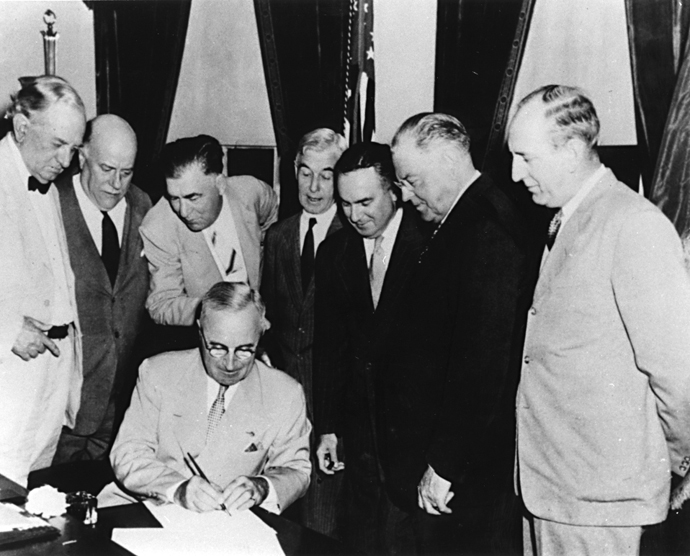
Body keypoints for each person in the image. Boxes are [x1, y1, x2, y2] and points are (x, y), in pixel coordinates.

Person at [508, 85, 690, 555]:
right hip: (551, 490)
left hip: (601, 502)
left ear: (570, 151)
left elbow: (677, 372)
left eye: (526, 157)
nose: (514, 173)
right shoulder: (566, 221)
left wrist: (674, 466)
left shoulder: (633, 225)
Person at [381, 112, 534, 554]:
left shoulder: (486, 227)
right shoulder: (463, 217)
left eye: (412, 180)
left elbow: (484, 365)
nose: (406, 197)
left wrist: (445, 464)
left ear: (449, 163)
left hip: (462, 477)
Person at [313, 141, 426, 554]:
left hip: (414, 436)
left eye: (365, 201)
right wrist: (327, 427)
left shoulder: (431, 245)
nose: (354, 215)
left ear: (395, 191)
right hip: (358, 437)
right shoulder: (334, 253)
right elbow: (329, 348)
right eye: (344, 204)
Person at [110, 282, 311, 513]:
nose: (230, 364)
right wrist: (178, 489)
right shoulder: (157, 372)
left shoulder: (285, 393)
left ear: (260, 336)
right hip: (146, 508)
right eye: (217, 348)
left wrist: (262, 487)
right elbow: (128, 453)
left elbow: (296, 470)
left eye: (245, 350)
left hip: (226, 525)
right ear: (199, 331)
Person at [0, 75, 86, 486]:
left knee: (33, 499)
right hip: (9, 372)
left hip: (51, 369)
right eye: (57, 144)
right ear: (21, 127)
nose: (66, 160)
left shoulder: (47, 185)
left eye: (74, 147)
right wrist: (8, 331)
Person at [261, 128, 346, 535]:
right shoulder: (277, 237)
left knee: (322, 524)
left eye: (326, 175)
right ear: (293, 170)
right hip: (282, 407)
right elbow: (269, 315)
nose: (314, 187)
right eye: (306, 172)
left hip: (331, 405)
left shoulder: (353, 237)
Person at [53, 114, 151, 464]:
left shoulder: (144, 207)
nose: (116, 184)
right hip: (62, 409)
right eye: (107, 169)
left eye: (127, 173)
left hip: (121, 407)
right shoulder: (51, 205)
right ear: (82, 157)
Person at [140, 134, 278, 326]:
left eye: (193, 197)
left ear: (220, 184)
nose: (183, 211)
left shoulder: (252, 191)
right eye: (174, 198)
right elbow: (162, 304)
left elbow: (274, 223)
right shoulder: (157, 226)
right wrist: (214, 310)